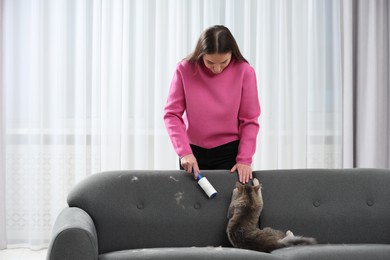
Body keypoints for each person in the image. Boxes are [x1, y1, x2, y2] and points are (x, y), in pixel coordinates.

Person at [163, 25, 260, 184]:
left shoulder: (245, 71)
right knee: (191, 205)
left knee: (227, 206)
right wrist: (184, 152)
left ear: (232, 54)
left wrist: (244, 159)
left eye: (224, 62)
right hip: (192, 153)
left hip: (230, 153)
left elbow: (249, 120)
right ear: (201, 54)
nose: (217, 68)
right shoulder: (184, 69)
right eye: (210, 62)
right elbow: (171, 115)